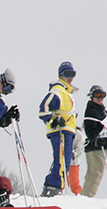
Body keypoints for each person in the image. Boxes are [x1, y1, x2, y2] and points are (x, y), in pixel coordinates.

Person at [39, 61, 78, 197]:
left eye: (72, 74)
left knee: (64, 160)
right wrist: (53, 120)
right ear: (61, 75)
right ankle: (55, 187)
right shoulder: (58, 91)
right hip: (60, 131)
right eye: (67, 74)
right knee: (62, 160)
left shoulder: (67, 93)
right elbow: (44, 108)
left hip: (67, 131)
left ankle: (52, 185)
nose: (70, 77)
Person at [82, 85, 107, 198]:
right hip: (94, 148)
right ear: (92, 96)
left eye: (103, 95)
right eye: (97, 95)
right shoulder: (91, 111)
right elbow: (90, 132)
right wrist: (96, 141)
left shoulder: (101, 110)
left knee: (98, 172)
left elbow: (103, 129)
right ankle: (87, 195)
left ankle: (88, 195)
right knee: (95, 172)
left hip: (100, 148)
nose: (100, 98)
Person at [68, 126, 84, 195]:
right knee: (61, 181)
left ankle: (79, 196)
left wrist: (73, 153)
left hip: (73, 163)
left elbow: (80, 148)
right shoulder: (62, 132)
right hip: (62, 162)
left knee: (74, 183)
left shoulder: (78, 134)